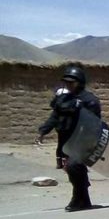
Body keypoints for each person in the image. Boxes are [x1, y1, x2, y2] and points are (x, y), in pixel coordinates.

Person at [36, 66, 102, 211]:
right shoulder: (63, 99)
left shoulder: (90, 100)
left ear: (80, 82)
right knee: (71, 169)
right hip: (65, 141)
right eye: (66, 82)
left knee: (73, 166)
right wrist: (43, 131)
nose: (69, 85)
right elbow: (54, 117)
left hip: (82, 141)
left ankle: (76, 198)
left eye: (72, 82)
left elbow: (94, 123)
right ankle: (84, 199)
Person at [41, 87, 72, 169]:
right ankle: (66, 163)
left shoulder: (58, 107)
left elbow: (52, 119)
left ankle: (60, 163)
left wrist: (43, 132)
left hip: (61, 128)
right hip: (70, 128)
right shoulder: (72, 103)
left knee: (61, 144)